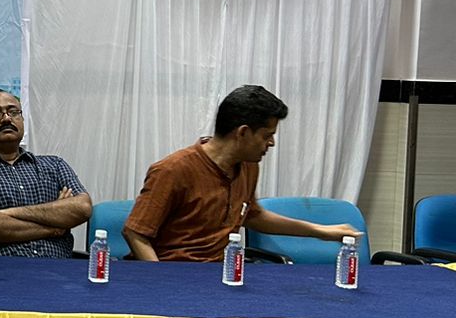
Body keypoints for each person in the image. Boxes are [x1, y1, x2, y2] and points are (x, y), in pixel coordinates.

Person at [124, 84, 361, 262]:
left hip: (219, 275)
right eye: (267, 135)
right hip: (174, 275)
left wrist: (321, 231)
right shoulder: (173, 170)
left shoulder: (248, 165)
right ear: (243, 133)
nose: (271, 143)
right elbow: (135, 233)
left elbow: (253, 216)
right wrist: (159, 280)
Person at [0, 89, 91, 258]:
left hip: (58, 269)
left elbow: (82, 208)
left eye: (14, 112)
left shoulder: (54, 165)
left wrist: (3, 214)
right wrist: (54, 225)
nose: (6, 118)